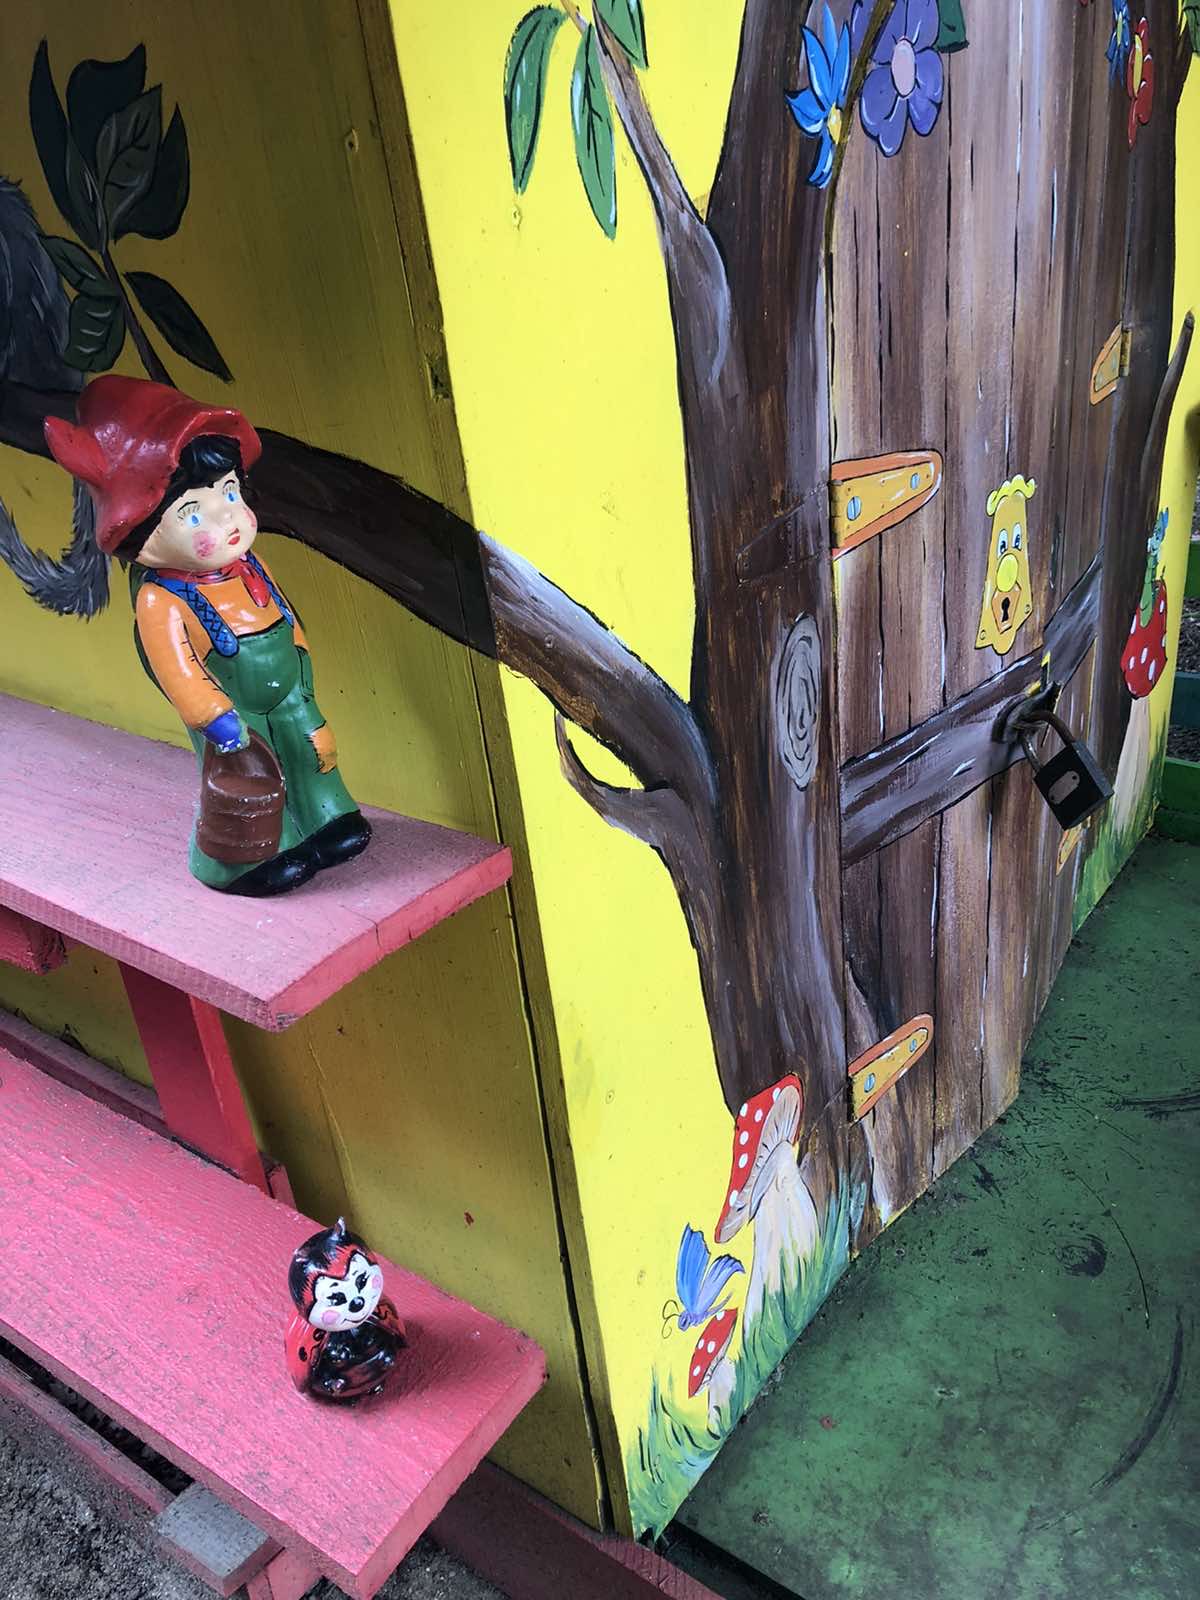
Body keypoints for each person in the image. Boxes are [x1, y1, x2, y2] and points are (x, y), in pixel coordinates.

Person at [43, 376, 370, 895]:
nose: (227, 518)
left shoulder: (249, 564)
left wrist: (301, 663)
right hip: (232, 710)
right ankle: (247, 859)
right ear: (140, 533)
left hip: (290, 690)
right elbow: (179, 669)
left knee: (311, 749)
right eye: (192, 512)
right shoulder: (163, 599)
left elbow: (284, 614)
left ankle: (327, 817)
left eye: (230, 492)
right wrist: (215, 718)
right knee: (248, 783)